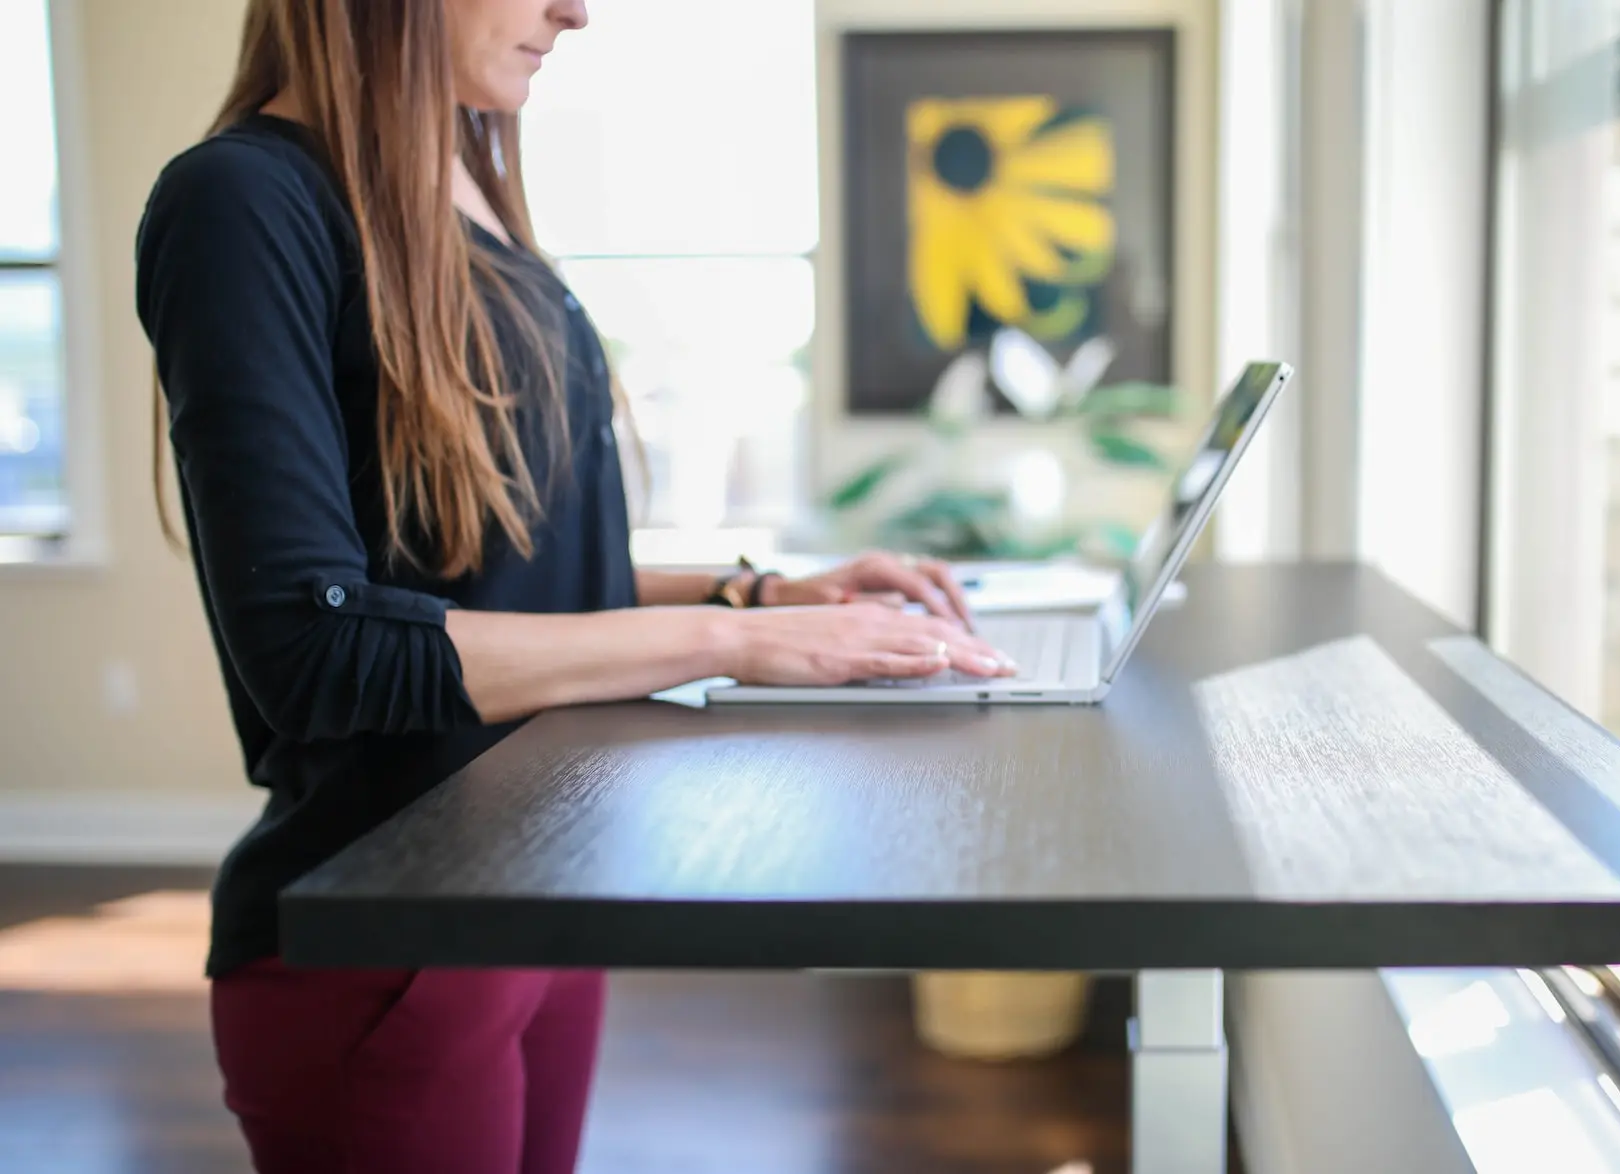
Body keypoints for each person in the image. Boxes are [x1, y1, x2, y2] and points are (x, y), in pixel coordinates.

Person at [135, 1, 1014, 1170]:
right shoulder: (243, 202)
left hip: (536, 889)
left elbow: (501, 573)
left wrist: (755, 597)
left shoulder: (462, 179)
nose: (577, 9)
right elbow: (320, 649)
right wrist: (729, 647)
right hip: (385, 939)